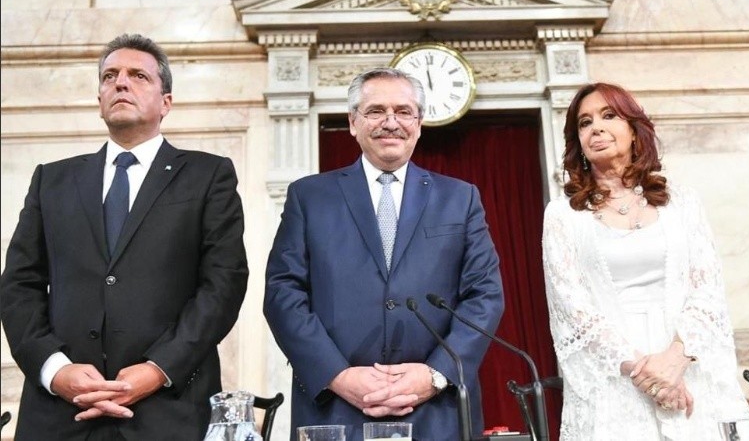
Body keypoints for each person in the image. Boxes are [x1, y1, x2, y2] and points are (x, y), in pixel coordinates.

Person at [0, 33, 249, 440]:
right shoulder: (52, 180)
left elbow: (223, 285)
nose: (120, 83)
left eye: (138, 76)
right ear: (99, 99)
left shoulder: (208, 176)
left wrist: (157, 370)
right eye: (109, 76)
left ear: (166, 102)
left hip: (167, 412)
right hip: (61, 414)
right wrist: (55, 370)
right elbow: (18, 285)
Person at [265, 67, 504, 440]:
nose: (391, 122)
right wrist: (338, 375)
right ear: (353, 122)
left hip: (436, 409)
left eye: (403, 111)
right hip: (335, 408)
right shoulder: (309, 197)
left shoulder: (461, 198)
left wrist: (434, 374)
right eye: (376, 111)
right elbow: (283, 292)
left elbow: (485, 296)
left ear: (419, 124)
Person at [541, 82, 749, 440]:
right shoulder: (563, 216)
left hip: (688, 367)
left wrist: (676, 359)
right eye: (585, 123)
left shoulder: (682, 202)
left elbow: (707, 290)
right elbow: (573, 310)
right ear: (578, 142)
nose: (596, 128)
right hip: (616, 379)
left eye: (609, 116)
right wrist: (647, 374)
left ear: (635, 131)